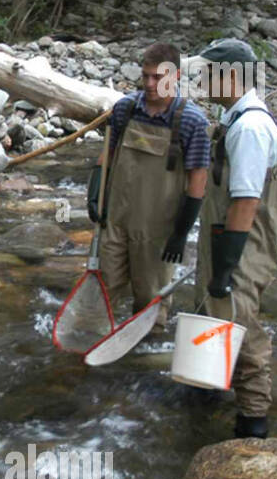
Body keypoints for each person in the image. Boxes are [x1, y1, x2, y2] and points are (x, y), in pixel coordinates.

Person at [193, 38, 277, 439]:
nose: (201, 79)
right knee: (213, 312)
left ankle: (253, 421)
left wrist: (225, 265)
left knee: (240, 321)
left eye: (207, 73)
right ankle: (204, 389)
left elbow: (243, 202)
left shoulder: (251, 127)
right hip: (230, 233)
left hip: (239, 240)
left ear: (232, 76)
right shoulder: (242, 116)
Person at [89, 42, 210, 332]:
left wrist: (181, 234)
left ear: (176, 77)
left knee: (150, 299)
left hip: (158, 228)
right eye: (145, 76)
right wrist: (95, 194)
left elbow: (197, 181)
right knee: (103, 289)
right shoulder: (126, 109)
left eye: (158, 77)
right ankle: (86, 348)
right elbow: (108, 152)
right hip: (116, 219)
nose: (150, 84)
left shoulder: (192, 121)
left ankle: (145, 360)